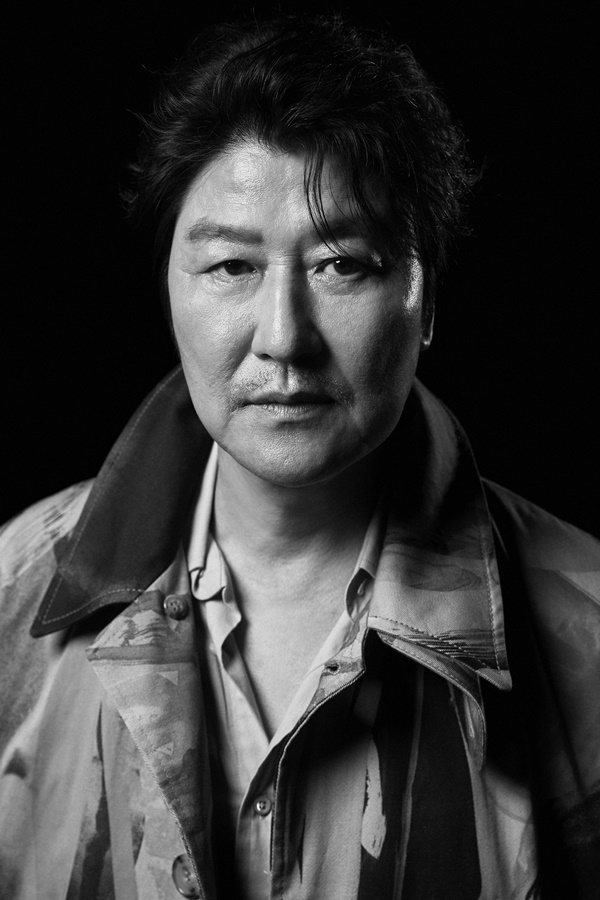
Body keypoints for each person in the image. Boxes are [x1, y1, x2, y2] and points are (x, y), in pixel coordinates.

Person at [0, 12, 598, 900]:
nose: (283, 338)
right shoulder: (13, 593)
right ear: (168, 290)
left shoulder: (585, 629)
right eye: (231, 267)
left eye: (341, 265)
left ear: (426, 299)